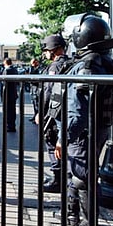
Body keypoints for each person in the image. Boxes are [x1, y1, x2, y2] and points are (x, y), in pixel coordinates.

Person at [52, 14, 113, 226]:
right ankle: (71, 215)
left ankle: (87, 222)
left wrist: (64, 138)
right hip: (97, 128)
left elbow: (78, 111)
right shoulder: (105, 61)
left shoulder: (88, 65)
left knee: (82, 176)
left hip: (83, 132)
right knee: (79, 173)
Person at [37, 35, 69, 193]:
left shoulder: (54, 67)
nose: (45, 53)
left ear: (54, 49)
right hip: (65, 110)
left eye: (47, 50)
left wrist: (41, 113)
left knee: (52, 144)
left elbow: (48, 93)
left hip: (54, 112)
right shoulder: (70, 63)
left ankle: (58, 179)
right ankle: (62, 178)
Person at [1, 58, 18, 132]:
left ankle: (9, 125)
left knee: (7, 110)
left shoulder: (6, 70)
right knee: (12, 110)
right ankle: (12, 125)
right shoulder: (14, 70)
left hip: (7, 94)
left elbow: (4, 82)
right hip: (13, 93)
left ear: (5, 63)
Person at [28, 58, 41, 123]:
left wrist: (32, 66)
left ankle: (37, 117)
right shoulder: (32, 68)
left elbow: (34, 76)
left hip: (37, 87)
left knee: (37, 104)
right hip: (33, 88)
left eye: (33, 62)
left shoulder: (39, 68)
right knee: (34, 103)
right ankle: (35, 115)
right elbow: (30, 75)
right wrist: (31, 66)